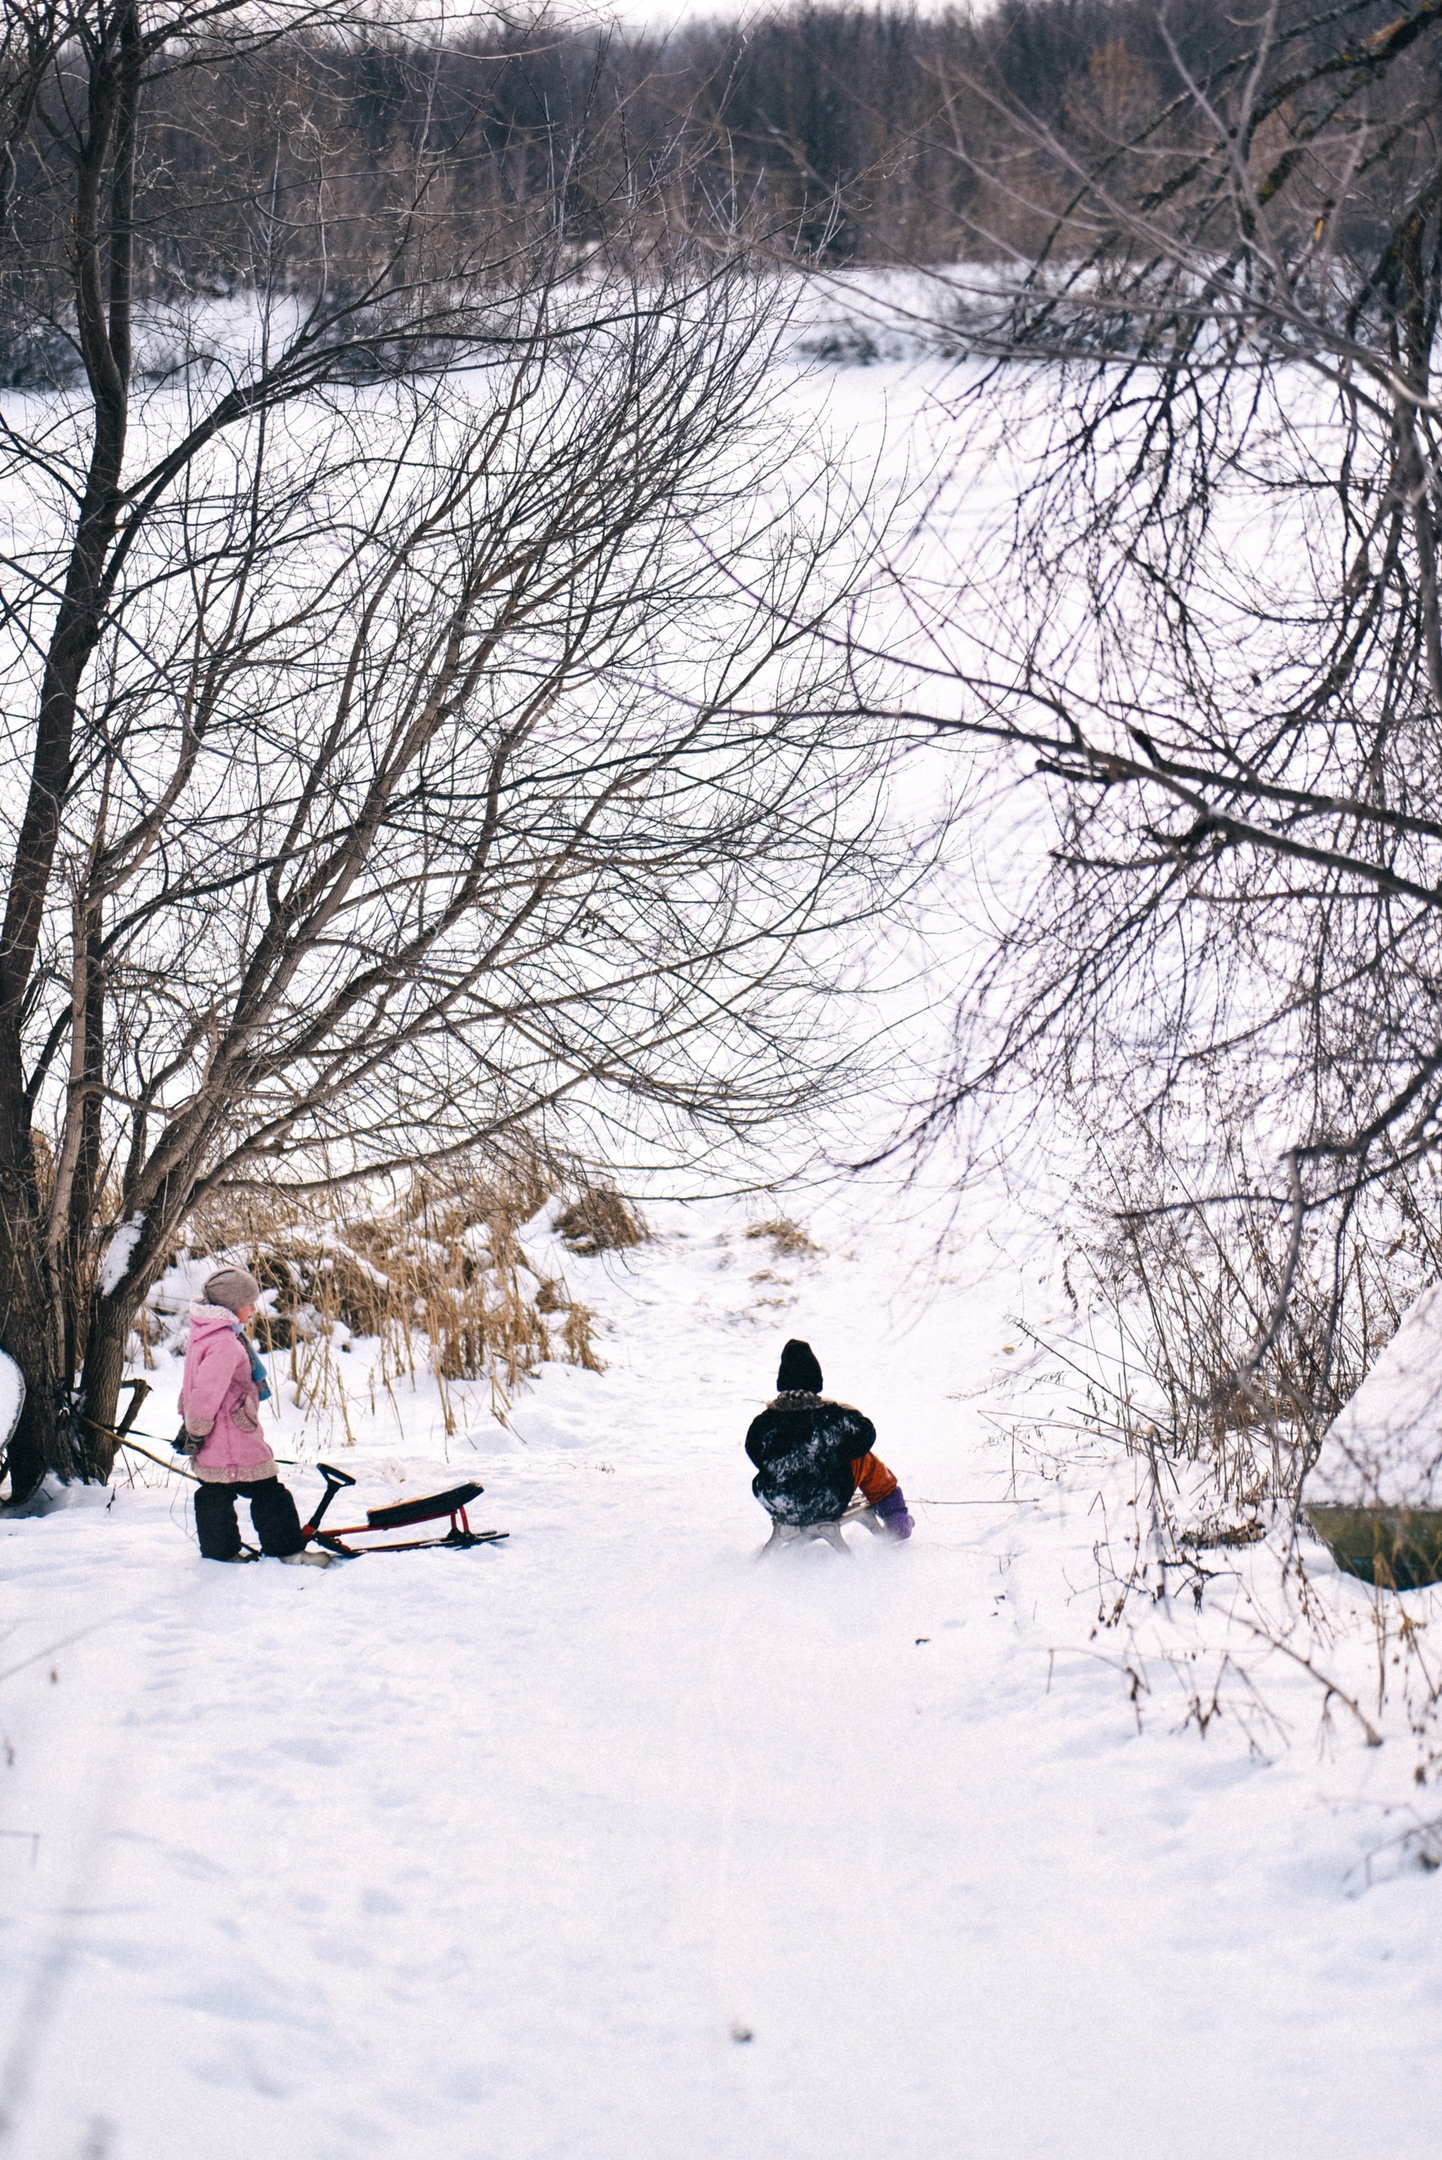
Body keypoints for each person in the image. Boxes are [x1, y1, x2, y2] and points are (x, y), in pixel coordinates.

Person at [181, 1266, 332, 1566]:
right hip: (231, 1435)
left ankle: (220, 1556)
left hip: (218, 1435)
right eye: (249, 1303)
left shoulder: (204, 1334)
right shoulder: (224, 1343)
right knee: (268, 1491)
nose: (253, 1308)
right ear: (232, 1306)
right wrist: (194, 1430)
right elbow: (205, 1392)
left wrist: (193, 1428)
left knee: (215, 1493)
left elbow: (191, 1385)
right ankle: (289, 1552)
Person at [745, 1338, 914, 1540]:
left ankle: (792, 1500)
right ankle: (897, 1520)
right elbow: (866, 1436)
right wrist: (849, 1414)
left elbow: (753, 1449)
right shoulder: (831, 1417)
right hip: (830, 1500)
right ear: (816, 1381)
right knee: (865, 1459)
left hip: (779, 1503)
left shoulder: (765, 1423)